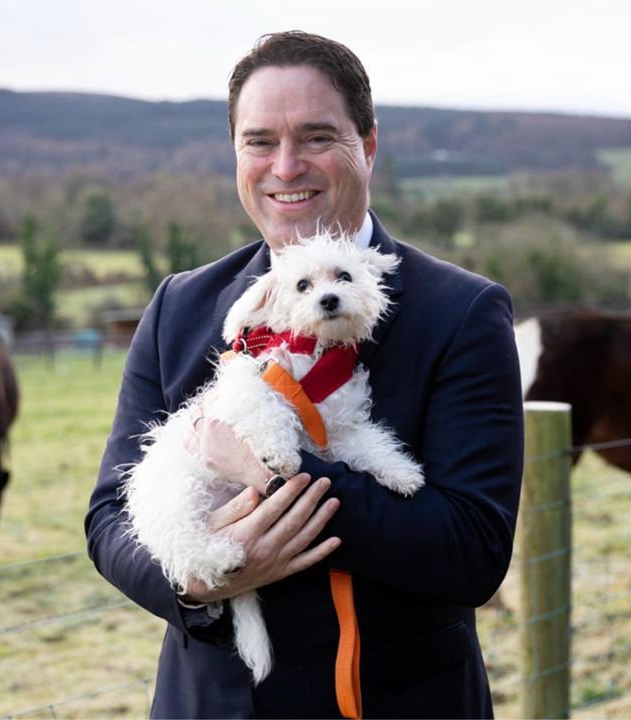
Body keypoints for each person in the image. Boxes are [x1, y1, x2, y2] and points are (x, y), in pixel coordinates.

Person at [85, 30, 523, 718]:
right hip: (211, 703)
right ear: (237, 155)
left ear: (369, 146)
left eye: (317, 137)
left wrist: (280, 481)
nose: (285, 166)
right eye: (259, 142)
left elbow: (474, 552)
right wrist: (202, 578)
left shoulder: (462, 312)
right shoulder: (182, 305)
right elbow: (109, 516)